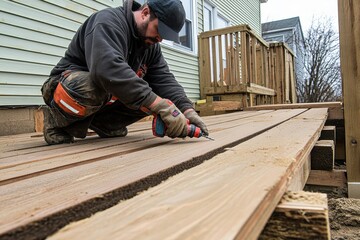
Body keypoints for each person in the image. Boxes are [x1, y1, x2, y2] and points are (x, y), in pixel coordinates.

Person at [41, 0, 208, 145]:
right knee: (103, 85)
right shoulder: (108, 22)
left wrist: (187, 110)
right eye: (159, 30)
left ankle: (105, 124)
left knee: (147, 92)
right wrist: (159, 105)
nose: (160, 39)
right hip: (65, 87)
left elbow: (164, 80)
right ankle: (55, 122)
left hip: (102, 95)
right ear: (145, 13)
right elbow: (106, 70)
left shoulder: (150, 46)